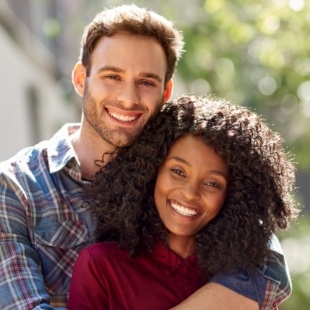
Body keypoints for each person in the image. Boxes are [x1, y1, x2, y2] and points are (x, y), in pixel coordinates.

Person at [0, 4, 293, 310]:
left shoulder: (180, 167)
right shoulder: (16, 187)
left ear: (165, 92)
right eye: (112, 76)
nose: (128, 98)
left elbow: (267, 267)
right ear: (80, 78)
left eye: (146, 82)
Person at [68, 95, 299, 310]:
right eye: (178, 171)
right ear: (151, 170)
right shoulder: (100, 266)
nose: (190, 193)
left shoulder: (243, 282)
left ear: (234, 194)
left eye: (213, 183)